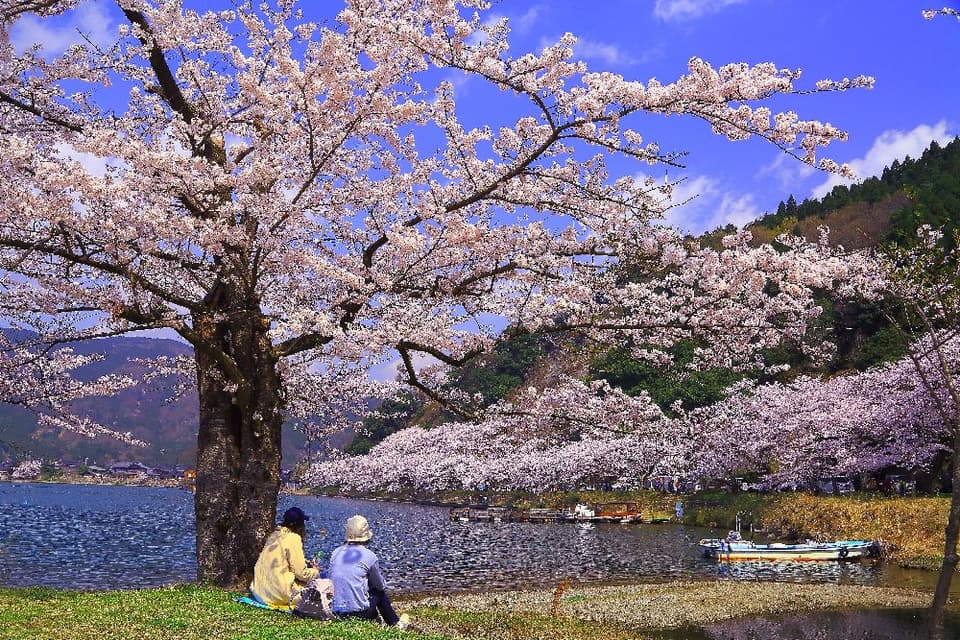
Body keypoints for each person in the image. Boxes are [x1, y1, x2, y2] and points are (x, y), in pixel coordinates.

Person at [328, 515, 409, 629]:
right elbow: (380, 586)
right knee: (378, 592)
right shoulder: (369, 556)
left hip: (334, 611)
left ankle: (379, 620)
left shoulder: (336, 552)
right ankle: (394, 623)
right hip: (358, 613)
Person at [249, 506, 320, 608]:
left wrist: (304, 562)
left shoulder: (274, 535)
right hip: (278, 594)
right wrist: (315, 571)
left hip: (259, 592)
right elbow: (301, 574)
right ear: (299, 525)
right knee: (317, 586)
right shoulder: (294, 538)